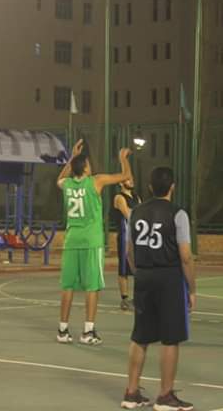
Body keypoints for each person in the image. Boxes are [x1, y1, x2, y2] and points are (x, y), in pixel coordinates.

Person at [121, 167, 196, 411]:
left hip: (144, 276)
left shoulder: (135, 212)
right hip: (169, 278)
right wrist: (192, 289)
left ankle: (131, 393)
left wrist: (140, 272)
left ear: (150, 187)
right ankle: (165, 396)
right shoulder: (178, 214)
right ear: (172, 186)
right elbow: (186, 256)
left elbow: (129, 252)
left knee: (140, 336)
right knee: (170, 338)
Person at [56, 140, 132, 345]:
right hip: (91, 241)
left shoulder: (67, 185)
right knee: (92, 287)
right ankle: (88, 332)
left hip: (72, 241)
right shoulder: (95, 181)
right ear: (85, 168)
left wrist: (72, 157)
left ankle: (62, 330)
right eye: (88, 164)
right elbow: (125, 176)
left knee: (68, 286)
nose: (90, 166)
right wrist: (123, 159)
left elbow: (59, 179)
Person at [111, 176, 142, 311]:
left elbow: (140, 213)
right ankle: (124, 298)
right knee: (124, 268)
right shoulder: (119, 198)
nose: (131, 181)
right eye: (128, 179)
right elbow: (128, 214)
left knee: (138, 267)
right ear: (121, 182)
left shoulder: (136, 197)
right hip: (125, 236)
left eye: (132, 179)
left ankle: (137, 297)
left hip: (137, 236)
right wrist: (139, 214)